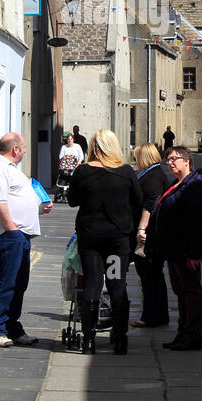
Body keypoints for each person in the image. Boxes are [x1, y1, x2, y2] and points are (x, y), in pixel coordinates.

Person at [67, 129, 142, 354]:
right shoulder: (126, 171)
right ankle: (120, 339)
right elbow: (138, 200)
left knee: (92, 283)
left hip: (90, 238)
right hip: (116, 240)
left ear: (94, 147)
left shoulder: (82, 172)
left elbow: (72, 201)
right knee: (116, 283)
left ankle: (88, 340)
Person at [0, 132, 52, 347]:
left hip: (19, 235)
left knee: (19, 284)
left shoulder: (11, 169)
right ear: (15, 150)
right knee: (7, 283)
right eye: (23, 149)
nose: (23, 152)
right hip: (9, 235)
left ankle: (13, 327)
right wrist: (12, 229)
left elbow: (17, 201)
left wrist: (39, 208)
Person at [146, 146, 202, 351]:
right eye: (168, 160)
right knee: (181, 292)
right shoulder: (177, 184)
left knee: (191, 292)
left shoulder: (195, 186)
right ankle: (182, 334)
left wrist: (195, 254)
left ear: (187, 161)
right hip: (173, 250)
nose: (170, 162)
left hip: (186, 251)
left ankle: (192, 337)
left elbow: (197, 222)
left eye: (175, 158)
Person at [131, 143, 176, 328]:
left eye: (137, 157)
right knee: (154, 276)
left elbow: (150, 205)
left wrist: (141, 229)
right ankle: (159, 315)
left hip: (149, 237)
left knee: (149, 276)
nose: (135, 161)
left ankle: (150, 316)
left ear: (144, 157)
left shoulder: (152, 177)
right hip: (153, 235)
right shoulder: (153, 174)